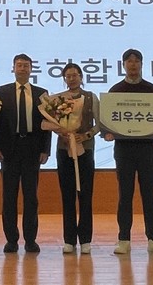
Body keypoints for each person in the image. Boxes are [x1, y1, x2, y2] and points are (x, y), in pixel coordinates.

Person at [102, 48, 153, 256]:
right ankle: (124, 239)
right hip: (124, 149)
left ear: (141, 64)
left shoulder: (152, 89)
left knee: (149, 194)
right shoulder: (115, 91)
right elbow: (107, 119)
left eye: (136, 61)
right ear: (123, 65)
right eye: (129, 61)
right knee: (125, 194)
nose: (133, 65)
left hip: (147, 149)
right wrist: (107, 133)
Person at [0, 53, 52, 254]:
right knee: (9, 197)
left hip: (32, 149)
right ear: (13, 68)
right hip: (9, 150)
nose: (23, 69)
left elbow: (48, 123)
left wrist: (45, 149)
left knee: (31, 197)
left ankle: (31, 240)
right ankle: (11, 240)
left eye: (26, 65)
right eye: (19, 65)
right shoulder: (3, 91)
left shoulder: (41, 93)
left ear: (31, 69)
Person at [50, 62, 100, 255]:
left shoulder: (91, 97)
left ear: (81, 77)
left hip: (84, 150)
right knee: (67, 196)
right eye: (68, 76)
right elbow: (52, 123)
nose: (71, 79)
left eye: (75, 75)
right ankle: (69, 240)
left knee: (85, 195)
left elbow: (99, 124)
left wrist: (86, 135)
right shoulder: (58, 99)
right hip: (64, 151)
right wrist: (61, 132)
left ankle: (85, 239)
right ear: (64, 79)